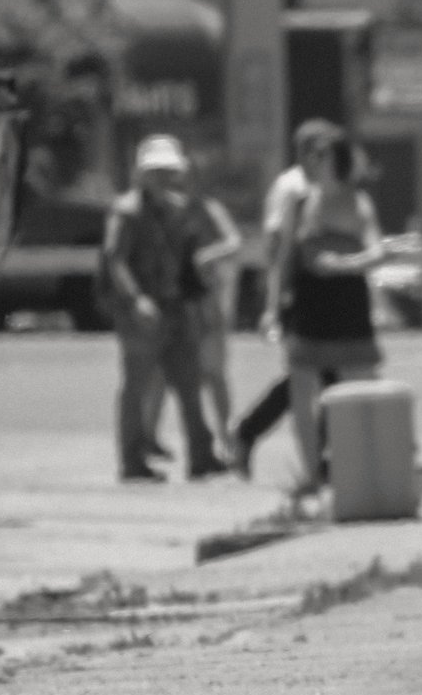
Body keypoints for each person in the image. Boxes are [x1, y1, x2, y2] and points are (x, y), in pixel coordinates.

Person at [105, 135, 224, 482]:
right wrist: (135, 299)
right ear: (142, 174)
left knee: (189, 384)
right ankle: (132, 461)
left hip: (174, 308)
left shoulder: (176, 207)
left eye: (168, 171)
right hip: (141, 313)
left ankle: (201, 456)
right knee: (137, 388)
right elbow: (116, 259)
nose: (163, 178)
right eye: (156, 172)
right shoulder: (126, 211)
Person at [227, 119, 340, 476]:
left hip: (326, 293)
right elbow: (277, 249)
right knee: (311, 375)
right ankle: (252, 433)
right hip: (296, 292)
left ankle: (313, 454)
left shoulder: (329, 186)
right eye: (320, 151)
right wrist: (272, 306)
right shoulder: (290, 187)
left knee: (325, 375)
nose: (328, 157)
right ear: (304, 152)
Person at [283, 130, 384, 495]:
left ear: (337, 160)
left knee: (360, 386)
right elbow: (286, 257)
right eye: (312, 154)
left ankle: (358, 471)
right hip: (308, 301)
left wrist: (344, 263)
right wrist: (273, 305)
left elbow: (377, 250)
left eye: (322, 154)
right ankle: (310, 474)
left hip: (347, 298)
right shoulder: (300, 201)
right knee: (301, 388)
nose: (314, 160)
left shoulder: (359, 202)